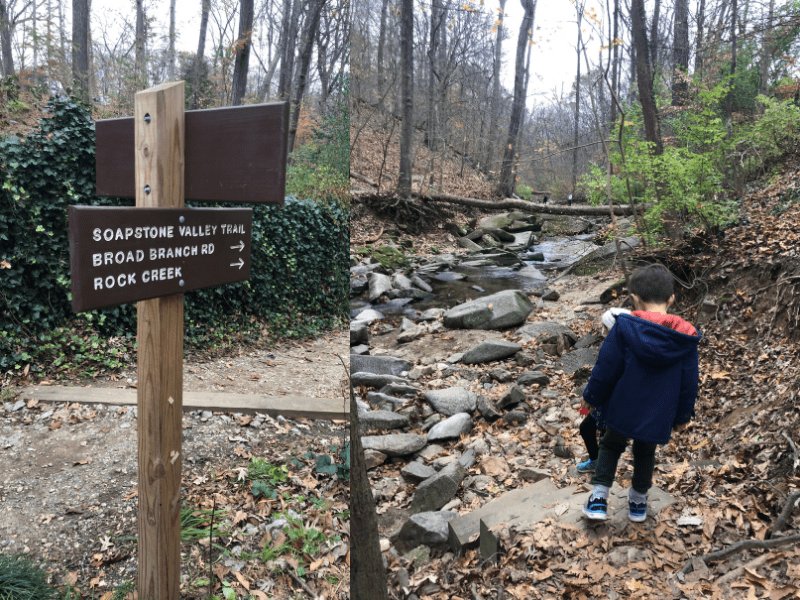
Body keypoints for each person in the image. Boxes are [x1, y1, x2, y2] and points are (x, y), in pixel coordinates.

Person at [582, 264, 701, 522]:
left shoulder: (625, 327)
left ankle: (599, 498)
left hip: (623, 405)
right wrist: (682, 416)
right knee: (645, 451)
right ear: (671, 298)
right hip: (659, 410)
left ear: (634, 297)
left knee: (611, 445)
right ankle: (638, 502)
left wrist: (592, 397)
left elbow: (606, 368)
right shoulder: (684, 337)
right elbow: (689, 382)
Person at [576, 308, 631, 474]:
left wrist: (588, 399)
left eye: (605, 328)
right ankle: (598, 461)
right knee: (589, 428)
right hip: (605, 401)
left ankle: (601, 467)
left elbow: (602, 377)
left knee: (598, 433)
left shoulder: (616, 350)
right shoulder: (622, 347)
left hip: (611, 403)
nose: (602, 331)